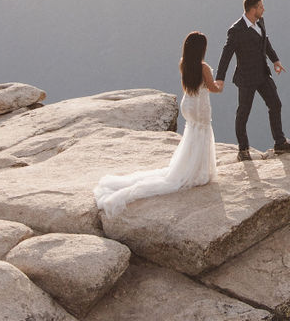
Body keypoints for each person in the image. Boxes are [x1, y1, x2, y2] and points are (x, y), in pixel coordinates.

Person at [94, 31, 220, 217]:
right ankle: (199, 171)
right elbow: (213, 88)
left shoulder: (183, 63)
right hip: (200, 105)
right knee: (201, 132)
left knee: (192, 134)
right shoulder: (204, 67)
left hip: (188, 104)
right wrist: (221, 83)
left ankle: (191, 167)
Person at [215, 0, 290, 162]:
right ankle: (243, 150)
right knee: (243, 113)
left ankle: (280, 142)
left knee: (275, 104)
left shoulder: (260, 22)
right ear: (253, 9)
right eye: (261, 7)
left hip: (262, 74)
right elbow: (226, 55)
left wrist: (275, 60)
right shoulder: (236, 30)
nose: (264, 9)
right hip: (246, 78)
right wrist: (220, 78)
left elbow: (265, 42)